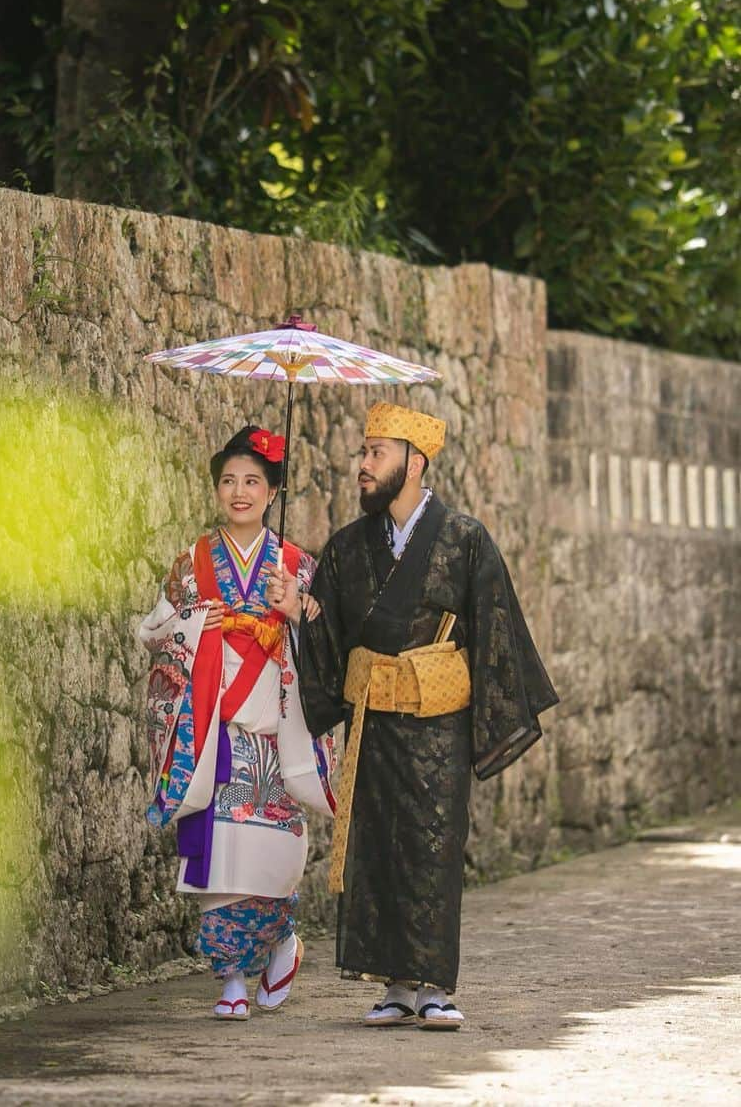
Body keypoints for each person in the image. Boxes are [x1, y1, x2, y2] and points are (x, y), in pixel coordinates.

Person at [267, 401, 558, 1031]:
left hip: (437, 724)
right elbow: (331, 636)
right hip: (373, 722)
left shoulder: (464, 539)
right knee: (378, 847)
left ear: (415, 461)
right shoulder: (348, 547)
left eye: (376, 453)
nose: (363, 465)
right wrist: (298, 610)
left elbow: (495, 630)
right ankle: (394, 986)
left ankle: (433, 986)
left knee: (433, 846)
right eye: (363, 453)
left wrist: (484, 714)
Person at [141, 425, 338, 1021]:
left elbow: (330, 643)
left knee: (268, 856)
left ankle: (280, 938)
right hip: (213, 737)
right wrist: (197, 624)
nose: (239, 491)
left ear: (272, 490)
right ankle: (229, 977)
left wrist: (295, 610)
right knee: (219, 858)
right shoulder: (192, 564)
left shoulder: (298, 564)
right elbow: (156, 632)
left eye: (253, 480)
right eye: (229, 481)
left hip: (275, 736)